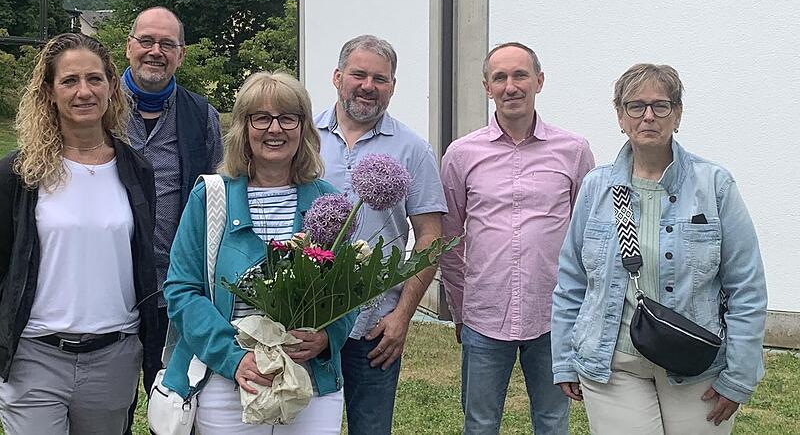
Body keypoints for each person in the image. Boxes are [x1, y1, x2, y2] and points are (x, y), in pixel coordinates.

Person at [551, 63, 768, 434]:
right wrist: (565, 360)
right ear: (620, 116)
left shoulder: (714, 186)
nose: (648, 116)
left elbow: (746, 286)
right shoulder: (596, 187)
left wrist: (740, 375)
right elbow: (572, 280)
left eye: (660, 105)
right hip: (613, 364)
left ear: (677, 114)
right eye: (635, 106)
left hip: (696, 365)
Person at [160, 71, 356, 434]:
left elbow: (350, 289)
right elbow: (182, 290)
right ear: (244, 128)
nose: (275, 129)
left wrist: (328, 336)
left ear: (304, 128)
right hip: (229, 378)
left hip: (310, 382)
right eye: (261, 118)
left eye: (287, 118)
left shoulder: (327, 202)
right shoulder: (210, 198)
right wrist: (233, 358)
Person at [0, 33, 159, 434]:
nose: (84, 91)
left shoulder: (136, 171)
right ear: (49, 93)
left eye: (95, 79)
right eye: (70, 81)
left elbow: (142, 261)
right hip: (35, 355)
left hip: (114, 355)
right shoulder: (19, 175)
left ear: (111, 86)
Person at [439, 42, 595, 434]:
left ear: (539, 81)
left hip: (554, 317)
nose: (511, 86)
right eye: (500, 77)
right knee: (479, 423)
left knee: (552, 421)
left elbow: (589, 237)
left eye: (520, 75)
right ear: (487, 87)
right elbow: (449, 239)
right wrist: (461, 307)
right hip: (484, 315)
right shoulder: (461, 155)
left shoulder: (574, 152)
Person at [315, 34, 447, 434]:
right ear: (337, 77)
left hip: (375, 324)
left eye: (381, 78)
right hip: (308, 318)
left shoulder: (412, 149)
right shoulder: (302, 138)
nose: (368, 86)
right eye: (358, 74)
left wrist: (402, 316)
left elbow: (430, 238)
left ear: (392, 86)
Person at [123, 5, 223, 356]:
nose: (155, 52)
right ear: (129, 47)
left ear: (180, 56)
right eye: (146, 41)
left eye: (167, 44)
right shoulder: (99, 109)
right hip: (108, 287)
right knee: (108, 403)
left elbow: (218, 197)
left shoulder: (202, 116)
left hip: (174, 289)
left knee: (171, 398)